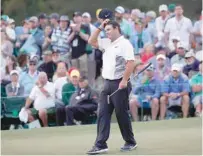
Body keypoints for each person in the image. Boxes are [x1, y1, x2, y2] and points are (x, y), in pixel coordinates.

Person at [88, 19, 137, 154]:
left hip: (120, 83)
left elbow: (130, 63)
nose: (106, 32)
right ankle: (101, 144)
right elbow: (91, 41)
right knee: (102, 113)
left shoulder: (125, 44)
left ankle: (130, 141)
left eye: (108, 29)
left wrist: (124, 80)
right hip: (107, 83)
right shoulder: (106, 42)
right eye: (105, 30)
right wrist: (100, 27)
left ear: (116, 28)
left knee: (121, 114)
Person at [70, 12, 90, 76]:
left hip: (82, 54)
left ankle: (83, 85)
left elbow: (87, 38)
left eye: (78, 16)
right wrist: (73, 31)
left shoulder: (85, 27)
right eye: (75, 16)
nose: (76, 18)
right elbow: (68, 40)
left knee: (83, 73)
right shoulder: (71, 27)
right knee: (75, 73)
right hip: (73, 54)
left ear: (81, 18)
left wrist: (79, 31)